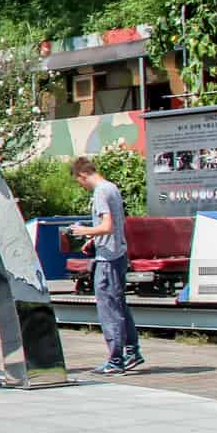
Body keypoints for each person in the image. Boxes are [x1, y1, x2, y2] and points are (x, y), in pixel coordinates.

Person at [67, 155, 143, 374]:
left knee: (109, 308)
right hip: (118, 254)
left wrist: (84, 231)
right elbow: (116, 225)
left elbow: (107, 226)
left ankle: (115, 359)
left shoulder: (100, 192)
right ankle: (131, 351)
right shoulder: (112, 188)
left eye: (78, 181)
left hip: (107, 259)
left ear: (82, 175)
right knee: (119, 305)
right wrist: (94, 239)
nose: (81, 186)